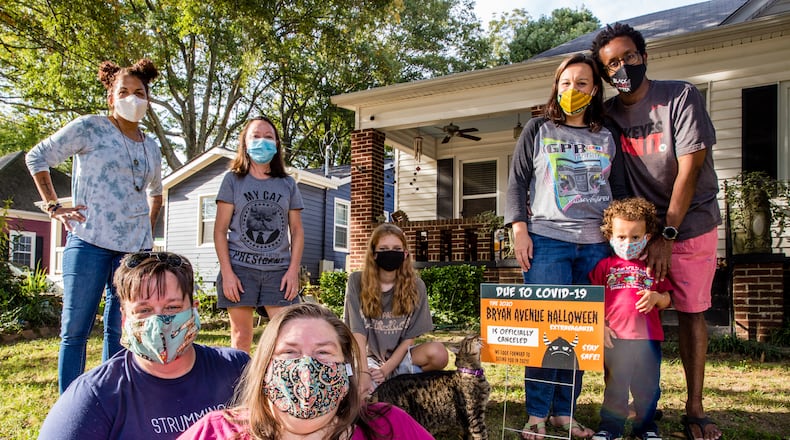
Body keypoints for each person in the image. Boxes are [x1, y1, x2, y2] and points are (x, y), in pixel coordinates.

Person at [591, 23, 722, 440]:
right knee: (630, 309)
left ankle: (695, 407)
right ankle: (637, 403)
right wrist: (637, 232)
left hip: (691, 221)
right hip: (642, 231)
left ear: (644, 57)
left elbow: (691, 166)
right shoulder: (609, 114)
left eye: (628, 57)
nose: (621, 67)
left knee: (691, 311)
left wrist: (667, 233)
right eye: (611, 63)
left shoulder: (680, 96)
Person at [505, 53, 628, 440]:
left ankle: (564, 412)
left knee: (579, 333)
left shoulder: (607, 136)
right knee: (547, 331)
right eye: (565, 82)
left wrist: (621, 240)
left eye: (581, 83)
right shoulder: (538, 129)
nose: (571, 90)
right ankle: (537, 413)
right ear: (556, 86)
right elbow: (517, 182)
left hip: (596, 246)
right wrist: (518, 229)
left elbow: (620, 191)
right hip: (547, 242)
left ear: (594, 90)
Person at [26, 59, 163, 393]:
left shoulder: (152, 146)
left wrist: (145, 232)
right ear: (111, 98)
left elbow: (156, 193)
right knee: (76, 329)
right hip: (88, 242)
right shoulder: (90, 128)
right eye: (124, 92)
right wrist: (54, 205)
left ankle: (112, 398)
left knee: (121, 330)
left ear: (148, 99)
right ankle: (71, 404)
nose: (133, 98)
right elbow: (37, 157)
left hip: (133, 253)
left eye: (139, 93)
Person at [38, 252, 250, 439]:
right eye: (144, 310)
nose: (159, 323)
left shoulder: (236, 369)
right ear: (124, 318)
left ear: (194, 309)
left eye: (172, 307)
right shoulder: (94, 397)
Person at [177, 302, 435, 440]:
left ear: (347, 368)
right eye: (289, 352)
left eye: (323, 353)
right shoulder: (216, 432)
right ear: (265, 368)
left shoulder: (388, 426)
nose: (306, 369)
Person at [214, 116, 305, 353]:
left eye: (268, 137)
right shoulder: (233, 180)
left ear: (276, 144)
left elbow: (296, 230)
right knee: (241, 338)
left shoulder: (287, 184)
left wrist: (293, 271)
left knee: (287, 336)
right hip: (240, 269)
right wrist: (227, 273)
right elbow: (220, 230)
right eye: (256, 136)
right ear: (244, 142)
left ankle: (275, 386)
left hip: (279, 271)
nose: (262, 141)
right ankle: (242, 388)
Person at [588, 198, 672, 440]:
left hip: (648, 340)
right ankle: (610, 428)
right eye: (621, 237)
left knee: (648, 388)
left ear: (647, 236)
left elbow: (668, 298)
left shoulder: (653, 266)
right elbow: (593, 300)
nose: (628, 243)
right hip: (615, 339)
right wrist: (599, 327)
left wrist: (657, 297)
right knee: (616, 386)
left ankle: (645, 427)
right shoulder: (604, 266)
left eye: (635, 237)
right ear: (610, 235)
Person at [343, 223, 449, 395]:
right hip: (366, 358)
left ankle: (401, 381)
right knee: (364, 396)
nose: (390, 253)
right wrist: (363, 373)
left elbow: (409, 338)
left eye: (396, 248)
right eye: (383, 248)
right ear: (374, 253)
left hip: (400, 358)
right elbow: (357, 334)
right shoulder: (356, 281)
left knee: (439, 353)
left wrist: (386, 369)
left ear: (405, 253)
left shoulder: (417, 286)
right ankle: (393, 385)